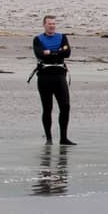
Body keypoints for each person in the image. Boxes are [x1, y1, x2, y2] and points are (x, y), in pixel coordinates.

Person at [31, 14, 75, 145]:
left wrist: (49, 52)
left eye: (54, 24)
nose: (52, 26)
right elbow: (39, 54)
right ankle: (49, 139)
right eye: (49, 24)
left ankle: (63, 138)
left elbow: (67, 53)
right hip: (44, 76)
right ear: (44, 25)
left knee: (65, 106)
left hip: (59, 75)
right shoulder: (38, 39)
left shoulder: (62, 37)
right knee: (47, 108)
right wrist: (57, 52)